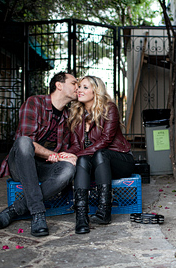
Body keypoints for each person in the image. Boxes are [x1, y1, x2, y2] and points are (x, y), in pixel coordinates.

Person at [0, 72, 79, 237]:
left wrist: (69, 155)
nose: (77, 87)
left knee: (68, 170)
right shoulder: (34, 103)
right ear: (59, 85)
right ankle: (38, 213)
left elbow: (70, 146)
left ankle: (14, 210)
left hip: (44, 167)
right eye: (74, 83)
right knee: (24, 142)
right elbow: (27, 141)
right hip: (20, 163)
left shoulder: (68, 116)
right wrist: (53, 154)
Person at [62, 76, 135, 234]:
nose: (79, 90)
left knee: (100, 154)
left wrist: (79, 154)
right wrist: (65, 155)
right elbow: (75, 145)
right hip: (96, 164)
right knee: (83, 158)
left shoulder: (109, 108)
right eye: (79, 87)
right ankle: (81, 217)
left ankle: (104, 211)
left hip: (119, 160)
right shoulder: (76, 114)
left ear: (96, 91)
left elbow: (105, 140)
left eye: (85, 87)